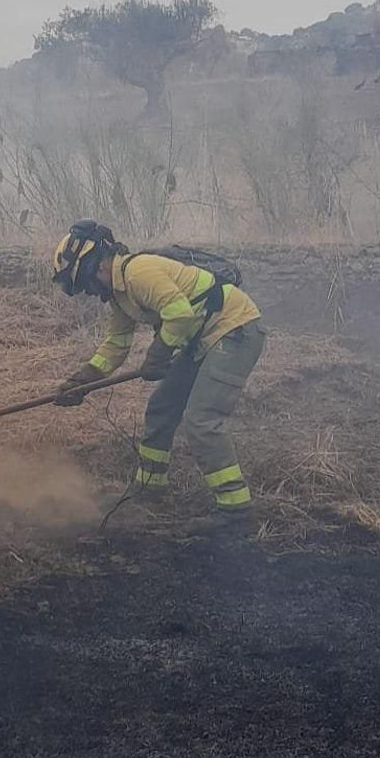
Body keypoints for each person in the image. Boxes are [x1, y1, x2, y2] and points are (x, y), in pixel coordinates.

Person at [50, 220, 265, 532]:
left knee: (202, 420)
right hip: (200, 340)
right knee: (161, 408)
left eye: (86, 282)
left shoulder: (140, 272)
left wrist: (158, 354)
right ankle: (150, 488)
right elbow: (116, 345)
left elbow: (179, 314)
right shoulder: (119, 297)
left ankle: (235, 512)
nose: (92, 291)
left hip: (234, 329)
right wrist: (82, 380)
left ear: (96, 264)